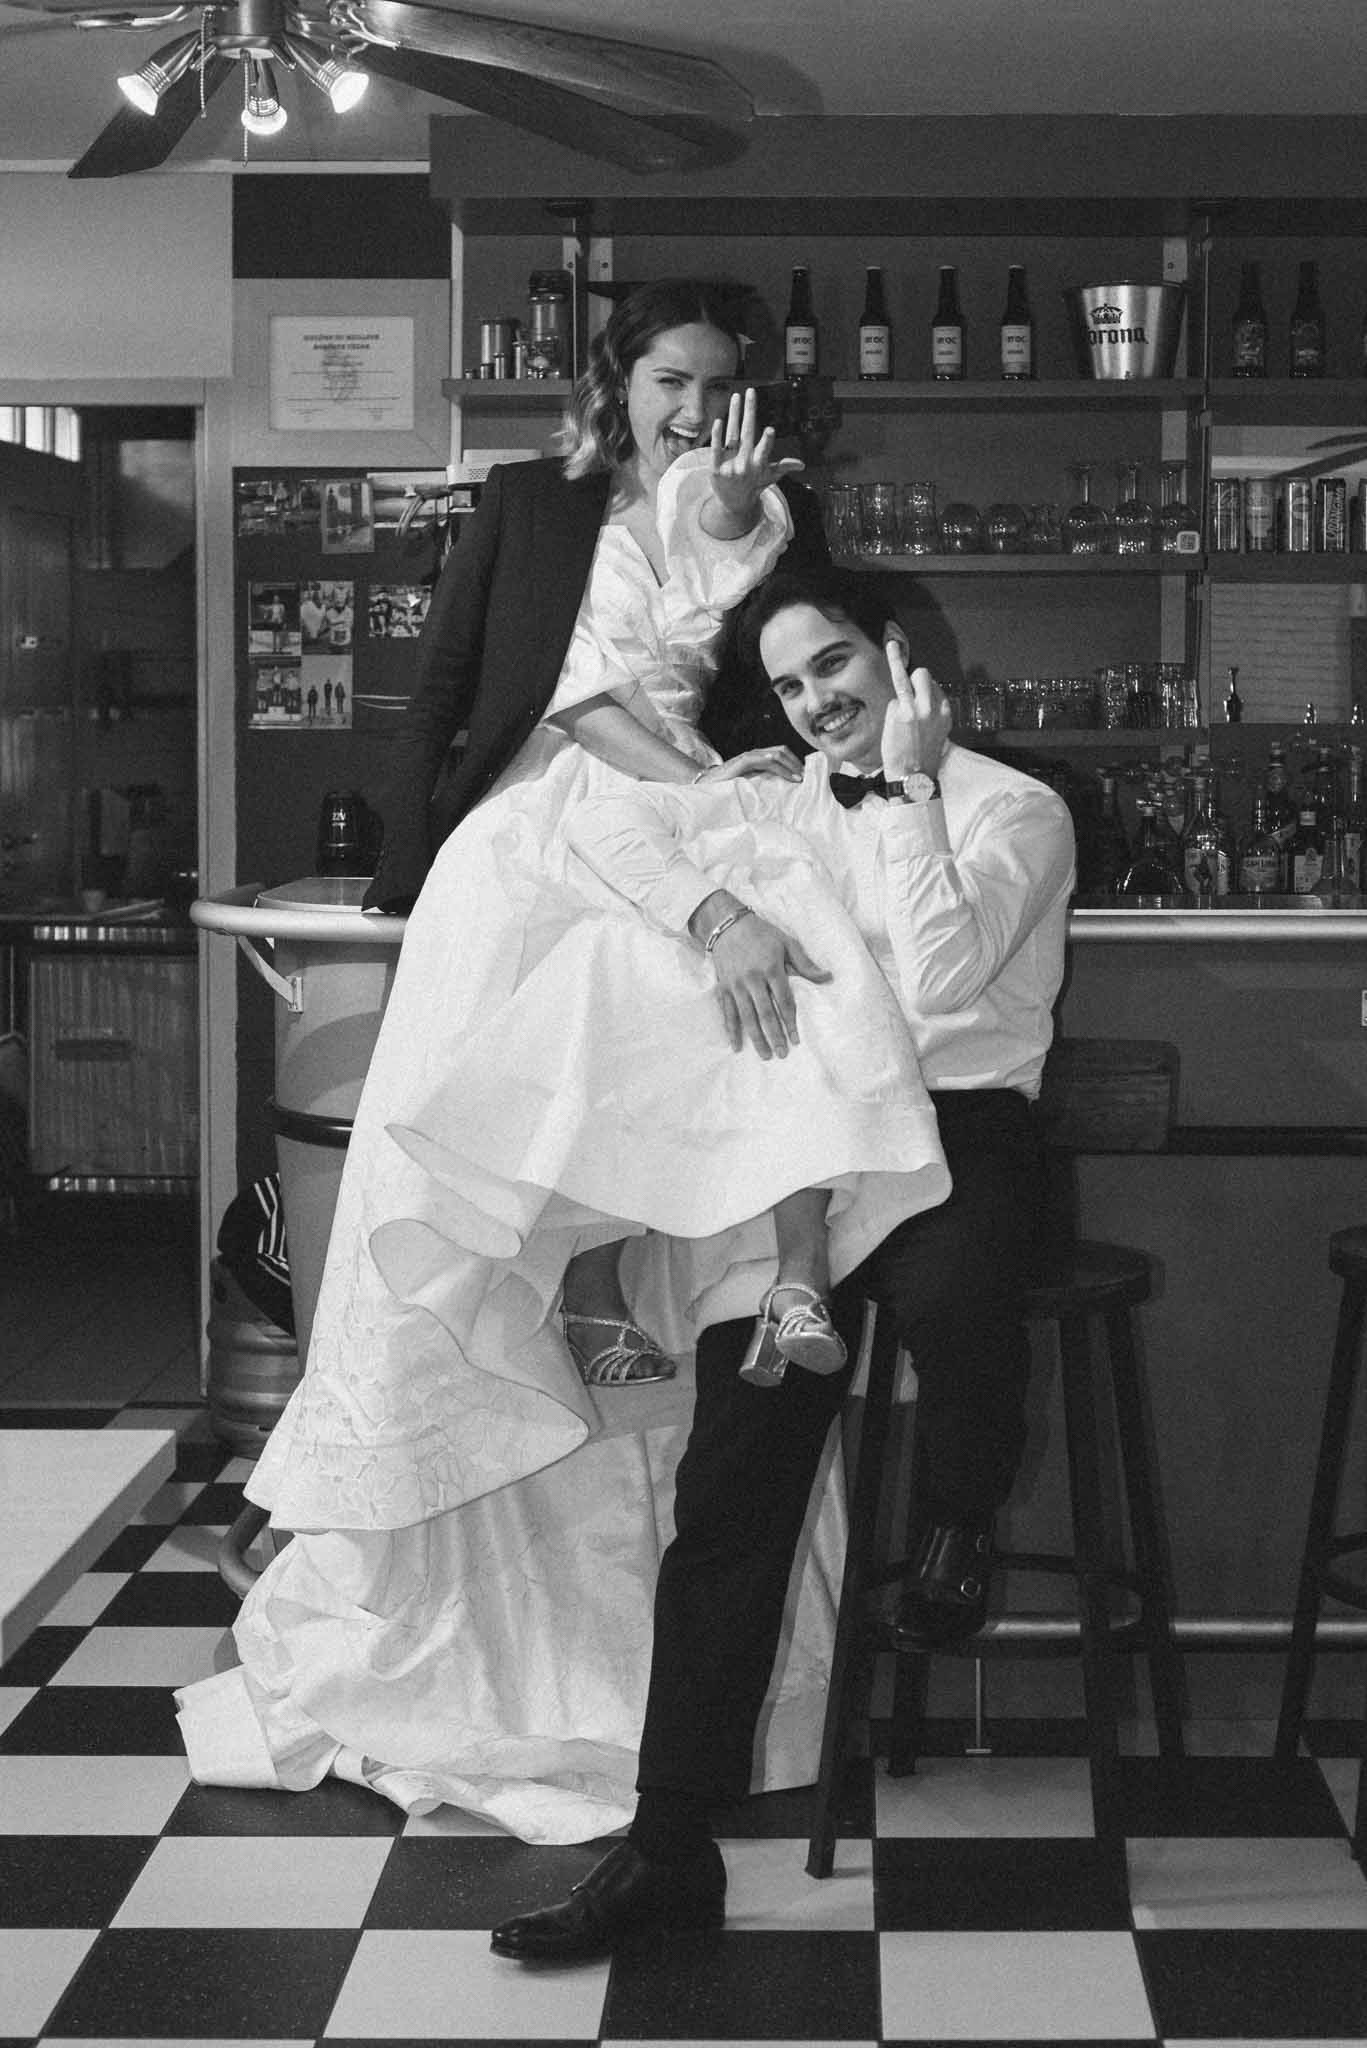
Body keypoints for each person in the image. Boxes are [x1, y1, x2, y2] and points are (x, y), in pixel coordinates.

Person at [488, 564, 1076, 1960]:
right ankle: (666, 1847)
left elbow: (938, 982)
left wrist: (916, 790)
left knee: (955, 1297)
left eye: (835, 665)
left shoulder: (1020, 807)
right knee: (731, 1480)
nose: (819, 701)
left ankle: (958, 1523)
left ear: (898, 652)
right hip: (813, 1153)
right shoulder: (785, 796)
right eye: (797, 682)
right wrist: (715, 899)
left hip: (966, 1135)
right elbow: (604, 827)